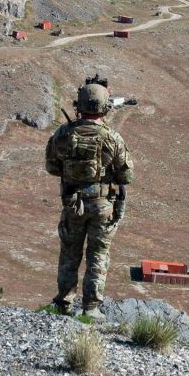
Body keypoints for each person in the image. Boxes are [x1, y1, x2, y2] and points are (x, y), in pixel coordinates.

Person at [45, 77, 134, 320]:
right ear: (105, 106)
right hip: (103, 207)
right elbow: (126, 175)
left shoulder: (63, 134)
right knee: (98, 255)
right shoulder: (112, 138)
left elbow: (51, 168)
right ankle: (91, 308)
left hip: (73, 204)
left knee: (70, 253)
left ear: (79, 104)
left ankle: (63, 303)